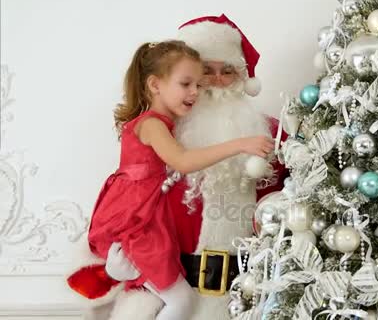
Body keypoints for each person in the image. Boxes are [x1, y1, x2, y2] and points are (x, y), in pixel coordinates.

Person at [66, 39, 275, 320]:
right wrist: (239, 144)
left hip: (151, 227)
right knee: (180, 302)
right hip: (138, 226)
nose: (197, 92)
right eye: (187, 84)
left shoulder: (161, 124)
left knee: (176, 300)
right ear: (155, 85)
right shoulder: (152, 125)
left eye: (197, 85)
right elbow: (183, 161)